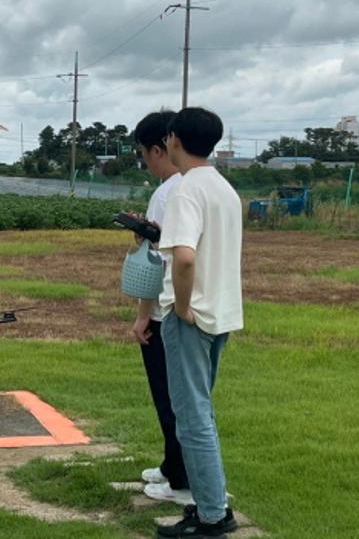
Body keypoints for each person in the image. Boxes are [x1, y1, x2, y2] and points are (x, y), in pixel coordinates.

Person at [155, 107, 243, 538]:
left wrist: (183, 306)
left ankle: (212, 515)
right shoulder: (224, 188)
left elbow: (185, 257)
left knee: (192, 418)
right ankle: (211, 502)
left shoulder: (185, 190)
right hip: (221, 314)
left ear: (173, 139)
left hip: (193, 318)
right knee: (200, 413)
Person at [131, 110, 189, 505]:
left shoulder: (167, 193)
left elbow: (156, 261)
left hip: (164, 311)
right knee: (181, 397)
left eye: (144, 154)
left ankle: (180, 478)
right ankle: (172, 466)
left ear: (159, 148)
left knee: (170, 398)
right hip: (188, 307)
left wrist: (142, 315)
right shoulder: (200, 187)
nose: (146, 162)